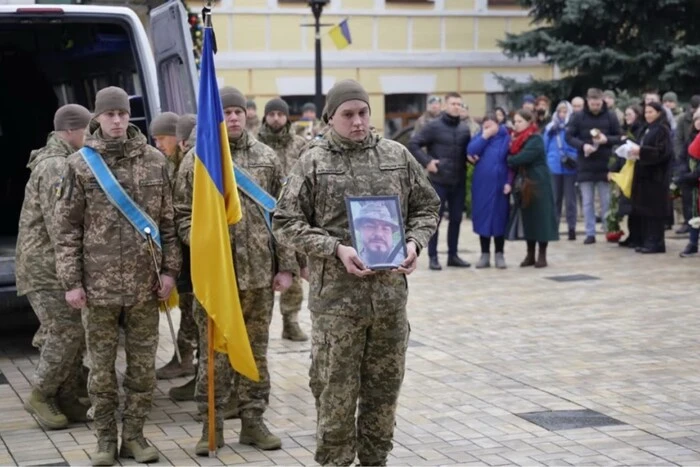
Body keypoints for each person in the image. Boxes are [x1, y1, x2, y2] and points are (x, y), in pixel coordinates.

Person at [272, 79, 440, 466]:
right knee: (335, 392)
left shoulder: (396, 155)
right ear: (331, 117)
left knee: (383, 392)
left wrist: (414, 243)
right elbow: (284, 221)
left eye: (363, 112)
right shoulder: (313, 162)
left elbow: (427, 207)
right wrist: (335, 249)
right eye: (348, 114)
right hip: (337, 305)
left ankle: (376, 459)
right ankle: (334, 461)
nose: (358, 121)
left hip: (389, 302)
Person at [54, 87, 181, 465]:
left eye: (123, 114)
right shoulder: (80, 165)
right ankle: (106, 441)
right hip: (98, 288)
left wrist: (171, 271)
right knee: (102, 373)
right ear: (97, 118)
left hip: (146, 286)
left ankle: (136, 438)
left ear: (130, 117)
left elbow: (169, 223)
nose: (117, 121)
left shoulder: (155, 161)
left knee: (142, 370)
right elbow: (66, 230)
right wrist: (71, 282)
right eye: (109, 114)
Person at [174, 86, 297, 455]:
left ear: (248, 115)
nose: (233, 117)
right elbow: (180, 215)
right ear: (216, 117)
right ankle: (211, 426)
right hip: (216, 279)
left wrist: (286, 265)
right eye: (226, 112)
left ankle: (253, 421)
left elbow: (284, 215)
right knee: (213, 354)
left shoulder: (267, 158)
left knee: (255, 351)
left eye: (239, 111)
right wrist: (203, 242)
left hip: (259, 275)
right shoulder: (198, 160)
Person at [17, 104, 92, 430]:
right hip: (45, 266)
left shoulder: (61, 161)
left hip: (51, 264)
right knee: (65, 331)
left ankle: (65, 397)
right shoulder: (56, 167)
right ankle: (42, 392)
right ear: (72, 130)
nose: (91, 137)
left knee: (70, 331)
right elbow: (60, 224)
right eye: (88, 130)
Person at [147, 112, 198, 381]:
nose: (158, 145)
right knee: (189, 308)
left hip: (193, 250)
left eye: (161, 139)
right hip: (180, 249)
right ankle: (185, 358)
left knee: (194, 309)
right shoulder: (167, 164)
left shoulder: (187, 165)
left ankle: (189, 361)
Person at [256, 97, 309, 342]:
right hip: (261, 215)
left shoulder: (299, 145)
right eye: (272, 114)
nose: (276, 118)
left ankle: (291, 321)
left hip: (291, 215)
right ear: (265, 117)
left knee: (294, 271)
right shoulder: (255, 143)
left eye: (280, 114)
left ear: (287, 117)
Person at [408, 92, 471, 270]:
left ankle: (453, 255)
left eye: (459, 104)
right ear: (445, 105)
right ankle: (433, 257)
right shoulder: (433, 126)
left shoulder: (464, 129)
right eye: (453, 104)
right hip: (439, 181)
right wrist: (427, 162)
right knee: (435, 220)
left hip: (458, 180)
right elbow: (414, 144)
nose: (456, 107)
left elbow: (469, 150)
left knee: (457, 219)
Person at [566, 88, 622, 244]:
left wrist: (607, 140)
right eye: (593, 104)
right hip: (585, 163)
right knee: (587, 201)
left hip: (604, 164)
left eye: (598, 104)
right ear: (587, 101)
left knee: (605, 200)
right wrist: (583, 146)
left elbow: (620, 136)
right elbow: (569, 136)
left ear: (602, 101)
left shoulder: (610, 116)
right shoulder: (578, 116)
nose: (596, 107)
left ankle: (608, 230)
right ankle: (590, 232)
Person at [507, 109, 559, 267]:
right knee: (528, 218)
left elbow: (522, 157)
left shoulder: (535, 138)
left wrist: (509, 158)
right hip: (525, 182)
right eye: (514, 121)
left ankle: (542, 255)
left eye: (519, 121)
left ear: (529, 122)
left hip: (538, 182)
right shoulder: (518, 139)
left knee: (541, 218)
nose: (516, 124)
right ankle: (530, 254)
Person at [466, 112, 511, 269]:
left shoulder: (506, 136)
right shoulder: (481, 136)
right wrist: (484, 135)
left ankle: (499, 253)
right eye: (484, 126)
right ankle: (484, 254)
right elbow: (471, 151)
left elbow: (511, 161)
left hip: (500, 185)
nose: (487, 128)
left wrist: (509, 182)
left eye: (490, 125)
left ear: (497, 124)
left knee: (499, 218)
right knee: (483, 217)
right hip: (482, 186)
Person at [628, 101, 674, 253]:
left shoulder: (662, 129)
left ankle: (656, 242)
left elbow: (662, 152)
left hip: (656, 177)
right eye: (646, 112)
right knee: (646, 212)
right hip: (644, 176)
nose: (648, 115)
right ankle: (647, 240)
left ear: (659, 113)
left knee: (655, 212)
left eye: (651, 112)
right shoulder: (646, 129)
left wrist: (641, 151)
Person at [545, 101, 578, 241]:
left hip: (570, 167)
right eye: (560, 111)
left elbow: (577, 144)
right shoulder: (550, 127)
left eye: (565, 111)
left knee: (570, 200)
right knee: (555, 199)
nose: (562, 114)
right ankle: (554, 228)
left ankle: (572, 228)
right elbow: (544, 147)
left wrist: (572, 156)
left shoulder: (574, 127)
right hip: (554, 167)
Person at [617, 105, 645, 249]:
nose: (626, 117)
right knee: (628, 207)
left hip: (636, 170)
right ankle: (632, 236)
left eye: (630, 114)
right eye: (625, 114)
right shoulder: (626, 130)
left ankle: (638, 237)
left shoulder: (640, 129)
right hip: (626, 170)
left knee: (635, 206)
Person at [673, 95, 700, 234]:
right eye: (696, 120)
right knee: (689, 203)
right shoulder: (691, 135)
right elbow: (683, 150)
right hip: (689, 174)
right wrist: (683, 170)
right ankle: (691, 233)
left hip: (696, 175)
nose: (698, 122)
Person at [355, 202, 403, 266]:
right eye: (370, 226)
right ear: (360, 230)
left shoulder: (403, 259)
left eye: (385, 228)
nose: (379, 234)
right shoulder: (353, 260)